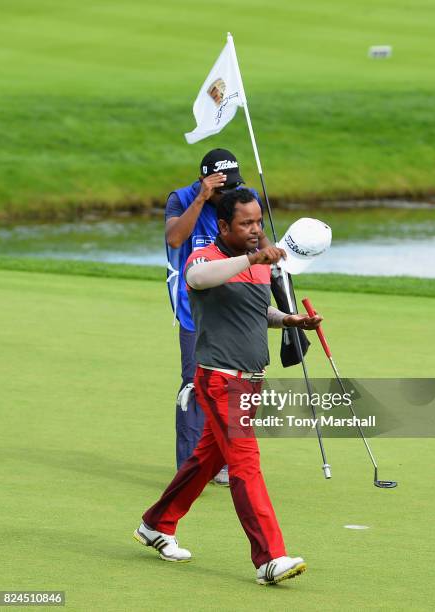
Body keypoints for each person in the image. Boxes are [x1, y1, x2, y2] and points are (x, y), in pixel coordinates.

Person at [135, 188, 323, 585]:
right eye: (246, 224)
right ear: (224, 226)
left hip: (251, 382)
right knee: (244, 464)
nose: (256, 230)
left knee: (205, 460)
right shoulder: (206, 257)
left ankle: (156, 523)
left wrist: (290, 321)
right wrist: (254, 258)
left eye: (258, 222)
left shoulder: (256, 265)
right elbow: (197, 278)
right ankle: (269, 558)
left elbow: (257, 310)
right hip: (220, 381)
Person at [165, 148, 270, 484]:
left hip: (236, 309)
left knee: (233, 386)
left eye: (233, 187)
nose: (229, 196)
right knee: (195, 386)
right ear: (205, 181)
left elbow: (260, 245)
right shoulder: (182, 199)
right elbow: (175, 238)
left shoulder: (245, 199)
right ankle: (190, 466)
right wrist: (201, 198)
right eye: (221, 189)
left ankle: (223, 461)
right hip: (194, 309)